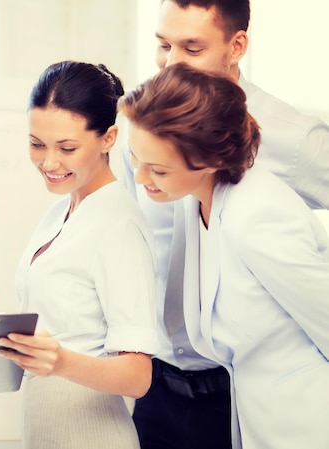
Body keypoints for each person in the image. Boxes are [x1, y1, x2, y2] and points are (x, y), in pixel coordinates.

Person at [119, 2, 329, 448]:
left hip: (293, 418)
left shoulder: (258, 207)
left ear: (237, 46)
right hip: (179, 385)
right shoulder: (165, 146)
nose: (172, 63)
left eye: (192, 47)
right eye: (163, 45)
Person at [0, 61, 159, 449]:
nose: (49, 162)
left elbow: (139, 376)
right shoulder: (61, 211)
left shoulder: (119, 223)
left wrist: (61, 362)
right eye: (37, 144)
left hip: (93, 431)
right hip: (47, 423)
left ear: (108, 138)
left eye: (67, 147)